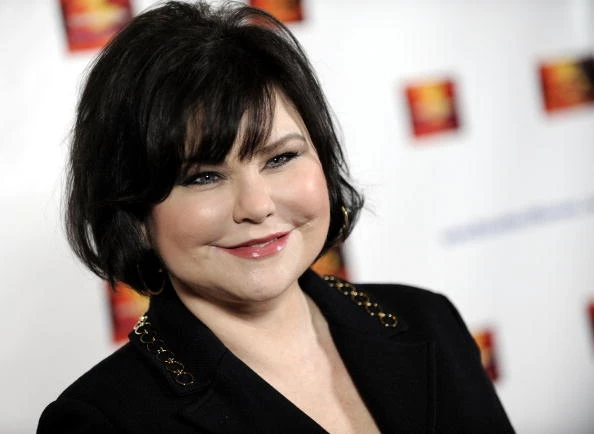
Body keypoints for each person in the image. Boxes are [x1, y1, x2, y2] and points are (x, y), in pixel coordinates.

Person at [38, 1, 514, 433]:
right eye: (203, 177)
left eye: (280, 158)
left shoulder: (427, 319)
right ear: (135, 212)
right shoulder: (101, 422)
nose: (257, 206)